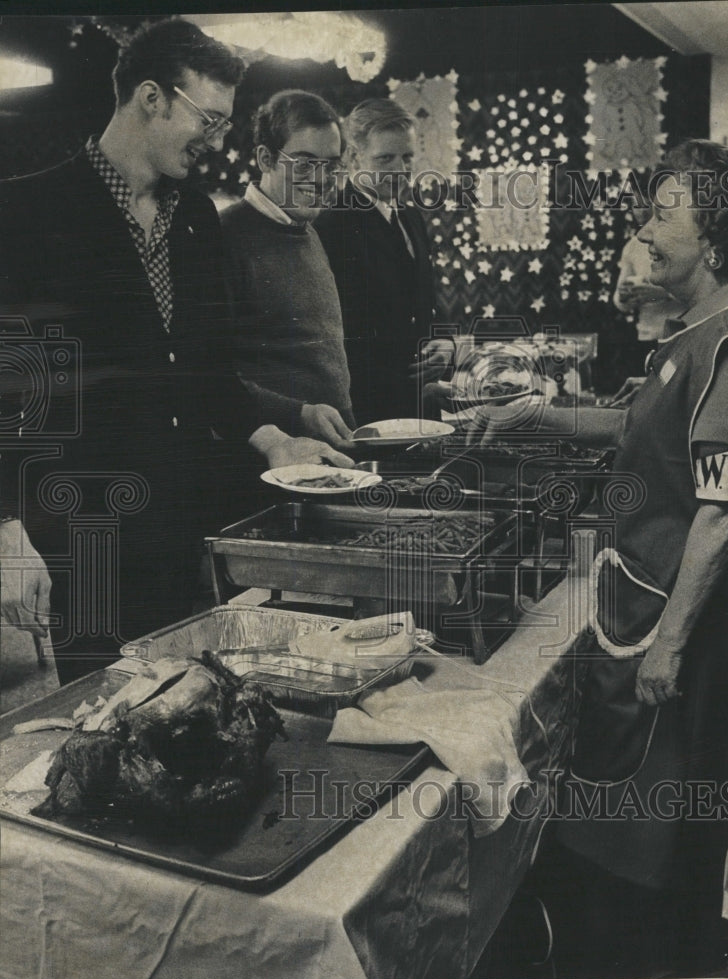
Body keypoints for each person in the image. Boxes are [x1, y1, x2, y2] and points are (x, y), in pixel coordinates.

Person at [476, 140, 728, 978]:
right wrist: (536, 413)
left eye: (660, 213)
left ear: (713, 240)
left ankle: (643, 962)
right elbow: (634, 423)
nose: (643, 229)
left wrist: (669, 645)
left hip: (684, 633)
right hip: (645, 610)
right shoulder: (700, 334)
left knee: (658, 833)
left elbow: (722, 511)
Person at [0, 19, 352, 690]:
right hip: (84, 531)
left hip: (178, 522)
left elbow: (206, 372)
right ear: (152, 98)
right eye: (210, 119)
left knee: (185, 706)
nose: (217, 139)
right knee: (107, 713)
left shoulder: (193, 218)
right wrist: (6, 532)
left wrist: (277, 440)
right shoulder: (26, 211)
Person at [220, 90, 356, 453]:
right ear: (265, 158)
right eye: (305, 163)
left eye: (332, 165)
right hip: (269, 467)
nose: (322, 179)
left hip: (331, 457)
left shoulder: (309, 230)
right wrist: (300, 413)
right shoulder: (222, 237)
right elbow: (212, 377)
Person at [314, 97, 437, 426]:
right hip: (370, 412)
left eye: (407, 157)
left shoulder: (411, 215)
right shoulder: (330, 224)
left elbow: (426, 300)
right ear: (354, 157)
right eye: (386, 159)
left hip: (422, 405)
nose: (401, 170)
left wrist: (443, 344)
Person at [613, 203, 683, 373]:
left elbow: (703, 292)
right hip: (646, 337)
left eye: (646, 205)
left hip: (680, 334)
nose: (641, 211)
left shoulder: (678, 241)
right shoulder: (632, 247)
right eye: (636, 206)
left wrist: (663, 294)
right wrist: (624, 296)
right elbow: (619, 300)